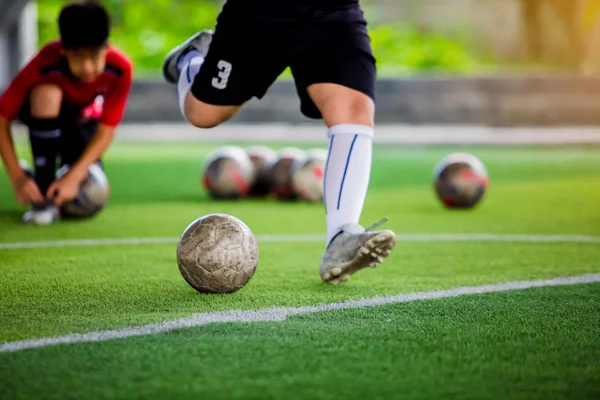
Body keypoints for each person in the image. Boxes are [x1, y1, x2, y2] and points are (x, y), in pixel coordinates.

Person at [162, 0, 397, 284]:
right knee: (202, 113)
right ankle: (190, 58)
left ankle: (341, 237)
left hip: (333, 13)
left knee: (354, 110)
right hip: (260, 14)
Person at [0, 0, 132, 225]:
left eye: (95, 57)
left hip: (84, 123)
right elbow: (2, 118)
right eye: (79, 58)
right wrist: (17, 177)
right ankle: (42, 192)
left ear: (106, 48)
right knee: (46, 92)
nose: (88, 67)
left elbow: (107, 130)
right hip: (45, 117)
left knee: (86, 186)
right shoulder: (45, 62)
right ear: (64, 51)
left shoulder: (120, 69)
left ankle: (60, 179)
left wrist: (76, 174)